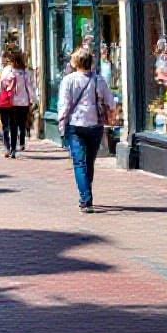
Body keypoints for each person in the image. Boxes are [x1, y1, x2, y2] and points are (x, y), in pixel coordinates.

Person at [58, 46, 115, 213]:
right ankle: (86, 194)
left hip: (75, 125)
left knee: (79, 162)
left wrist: (62, 123)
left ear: (75, 62)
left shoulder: (69, 80)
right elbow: (111, 103)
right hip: (95, 125)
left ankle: (85, 198)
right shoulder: (99, 80)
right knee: (89, 161)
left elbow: (64, 105)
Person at [0, 50, 35, 158]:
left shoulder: (7, 70)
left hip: (9, 102)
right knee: (16, 126)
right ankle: (14, 148)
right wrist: (32, 100)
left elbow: (1, 85)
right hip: (23, 102)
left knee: (6, 126)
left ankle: (7, 147)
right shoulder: (25, 72)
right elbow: (29, 87)